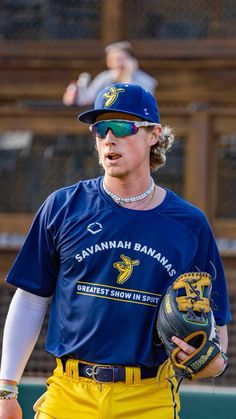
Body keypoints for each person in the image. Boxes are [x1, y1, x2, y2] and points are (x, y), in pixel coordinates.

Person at [0, 83, 231, 419]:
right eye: (100, 129)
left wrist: (214, 362)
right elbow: (32, 298)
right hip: (69, 393)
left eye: (122, 127)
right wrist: (7, 386)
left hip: (148, 398)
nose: (109, 138)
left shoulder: (189, 224)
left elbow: (217, 325)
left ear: (153, 135)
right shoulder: (64, 206)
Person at [62, 41, 158, 106]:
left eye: (121, 59)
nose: (117, 63)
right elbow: (87, 99)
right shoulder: (105, 77)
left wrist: (127, 76)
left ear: (132, 60)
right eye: (112, 59)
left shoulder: (146, 80)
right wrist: (72, 95)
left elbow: (143, 103)